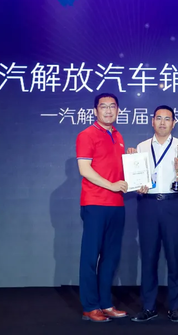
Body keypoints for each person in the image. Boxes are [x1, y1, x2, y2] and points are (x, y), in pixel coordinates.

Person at [129, 105, 178, 323]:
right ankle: (148, 307)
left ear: (173, 123)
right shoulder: (142, 146)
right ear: (152, 121)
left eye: (167, 119)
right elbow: (137, 177)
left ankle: (174, 308)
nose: (162, 122)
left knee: (174, 256)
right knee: (148, 256)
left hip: (172, 204)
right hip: (148, 204)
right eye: (159, 118)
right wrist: (138, 185)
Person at [75, 93, 129, 323]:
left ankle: (105, 303)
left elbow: (117, 169)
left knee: (110, 257)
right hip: (95, 203)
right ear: (95, 111)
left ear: (118, 110)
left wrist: (131, 161)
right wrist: (111, 185)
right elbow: (85, 169)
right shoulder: (86, 135)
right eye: (103, 106)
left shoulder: (118, 136)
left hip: (117, 204)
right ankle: (90, 306)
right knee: (90, 257)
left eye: (112, 106)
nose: (108, 110)